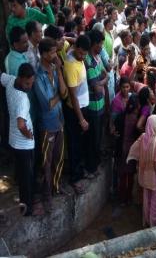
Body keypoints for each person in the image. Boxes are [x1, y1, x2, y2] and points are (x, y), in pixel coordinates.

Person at [33, 38, 67, 210]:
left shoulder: (54, 69)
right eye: (53, 52)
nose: (55, 55)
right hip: (47, 125)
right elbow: (47, 104)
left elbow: (64, 92)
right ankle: (47, 195)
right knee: (46, 161)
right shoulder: (38, 75)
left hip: (59, 120)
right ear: (44, 54)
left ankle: (56, 186)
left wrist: (59, 70)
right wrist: (59, 97)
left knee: (59, 157)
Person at [1, 64, 37, 215]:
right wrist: (28, 134)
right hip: (24, 144)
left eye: (32, 83)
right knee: (26, 179)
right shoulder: (23, 98)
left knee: (22, 175)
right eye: (27, 83)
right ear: (21, 78)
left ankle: (25, 205)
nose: (29, 86)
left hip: (13, 140)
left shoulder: (10, 80)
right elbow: (21, 124)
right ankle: (28, 210)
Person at [127, 115, 156, 227]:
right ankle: (153, 224)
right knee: (155, 202)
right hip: (155, 178)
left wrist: (136, 161)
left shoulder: (143, 137)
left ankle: (146, 221)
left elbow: (134, 149)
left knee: (147, 200)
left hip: (144, 176)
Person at [63, 35, 90, 194]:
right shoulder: (71, 65)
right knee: (74, 144)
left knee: (79, 143)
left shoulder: (74, 51)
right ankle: (74, 177)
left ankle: (79, 171)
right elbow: (72, 96)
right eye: (81, 53)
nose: (83, 57)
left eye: (85, 54)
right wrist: (81, 119)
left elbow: (72, 40)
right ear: (76, 49)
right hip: (75, 111)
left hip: (82, 107)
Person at [84, 30, 108, 178]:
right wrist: (103, 81)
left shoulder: (97, 58)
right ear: (94, 44)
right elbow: (96, 86)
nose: (101, 47)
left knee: (97, 138)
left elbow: (104, 74)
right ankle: (91, 168)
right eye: (100, 44)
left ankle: (95, 165)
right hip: (93, 107)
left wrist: (102, 81)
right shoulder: (89, 61)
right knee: (92, 139)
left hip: (100, 104)